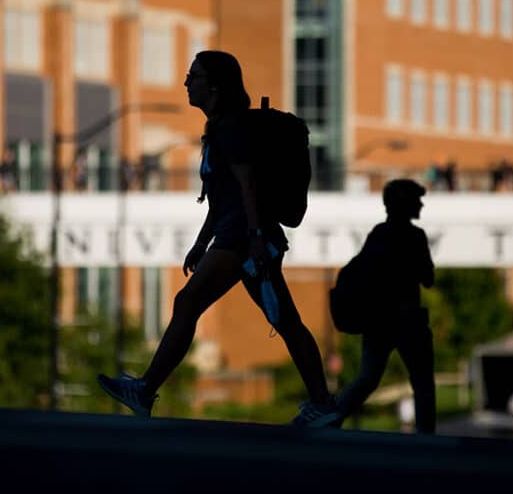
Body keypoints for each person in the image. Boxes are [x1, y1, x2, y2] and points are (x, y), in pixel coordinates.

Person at [97, 50, 341, 427]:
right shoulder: (220, 128)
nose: (186, 83)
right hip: (237, 234)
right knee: (284, 319)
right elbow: (222, 198)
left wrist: (257, 238)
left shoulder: (230, 129)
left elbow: (248, 188)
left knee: (189, 301)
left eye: (192, 76)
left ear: (213, 85)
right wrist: (200, 241)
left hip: (243, 238)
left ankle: (144, 390)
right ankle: (322, 402)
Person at [334, 179, 436, 433]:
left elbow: (358, 271)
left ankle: (331, 417)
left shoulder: (378, 234)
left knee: (367, 379)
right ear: (405, 204)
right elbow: (428, 279)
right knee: (423, 382)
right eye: (416, 199)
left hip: (378, 322)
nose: (421, 204)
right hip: (409, 322)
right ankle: (427, 437)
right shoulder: (414, 236)